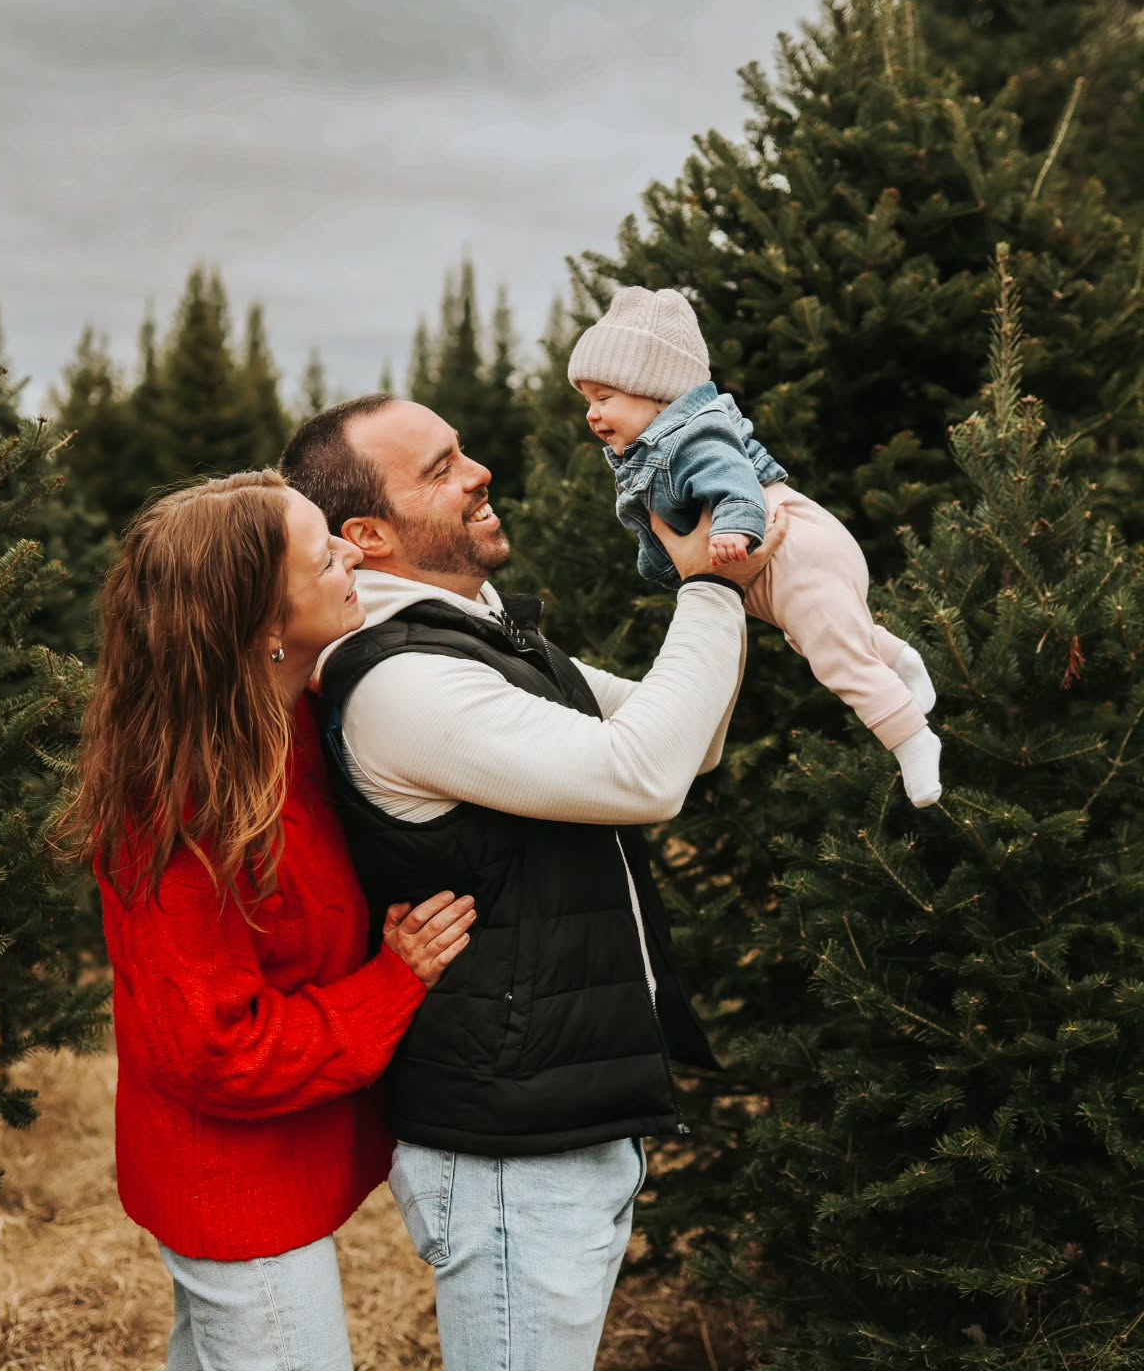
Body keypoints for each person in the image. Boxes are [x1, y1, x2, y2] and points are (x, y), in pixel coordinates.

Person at [280, 399, 784, 1371]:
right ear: (367, 535)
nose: (480, 473)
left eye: (463, 450)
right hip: (513, 1145)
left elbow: (691, 740)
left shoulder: (481, 635)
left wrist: (742, 585)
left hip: (561, 1114)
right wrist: (711, 587)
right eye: (439, 468)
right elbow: (645, 775)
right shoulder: (403, 681)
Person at [55, 470, 477, 1371]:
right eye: (321, 551)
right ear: (259, 627)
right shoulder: (179, 809)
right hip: (233, 1189)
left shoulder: (299, 722)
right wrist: (393, 982)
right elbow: (216, 1046)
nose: (348, 551)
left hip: (280, 1166)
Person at [568, 285, 942, 807]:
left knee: (834, 656)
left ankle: (913, 740)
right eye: (587, 402)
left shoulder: (692, 435)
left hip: (794, 549)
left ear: (656, 393)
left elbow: (735, 482)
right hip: (779, 566)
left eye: (604, 399)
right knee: (817, 635)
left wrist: (731, 529)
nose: (591, 415)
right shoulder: (650, 447)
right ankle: (900, 660)